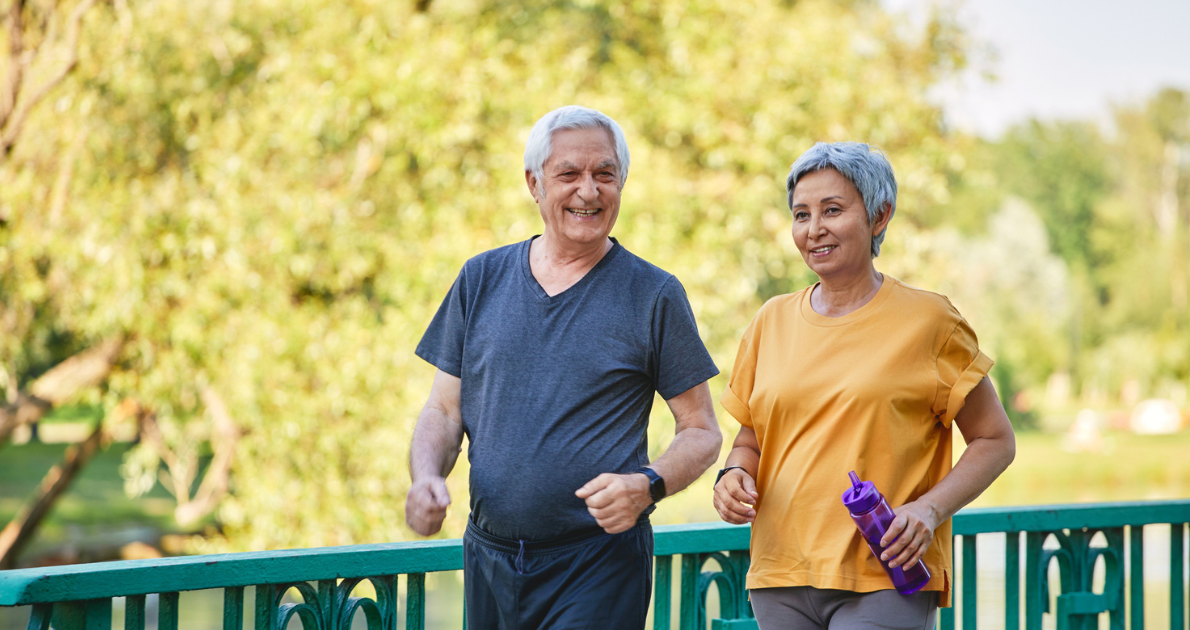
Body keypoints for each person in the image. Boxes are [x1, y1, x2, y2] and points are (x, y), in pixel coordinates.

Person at [407, 105, 723, 630]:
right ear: (534, 184)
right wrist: (424, 479)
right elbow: (443, 409)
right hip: (488, 557)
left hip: (597, 563)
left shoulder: (654, 294)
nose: (589, 191)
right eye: (569, 174)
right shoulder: (480, 278)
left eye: (605, 174)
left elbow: (702, 430)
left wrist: (648, 485)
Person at [712, 142, 1016, 628]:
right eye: (801, 215)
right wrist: (731, 476)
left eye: (832, 210)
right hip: (779, 576)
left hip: (884, 574)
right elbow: (751, 439)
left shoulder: (930, 321)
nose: (814, 230)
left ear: (879, 216)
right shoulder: (771, 320)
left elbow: (995, 440)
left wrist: (928, 510)